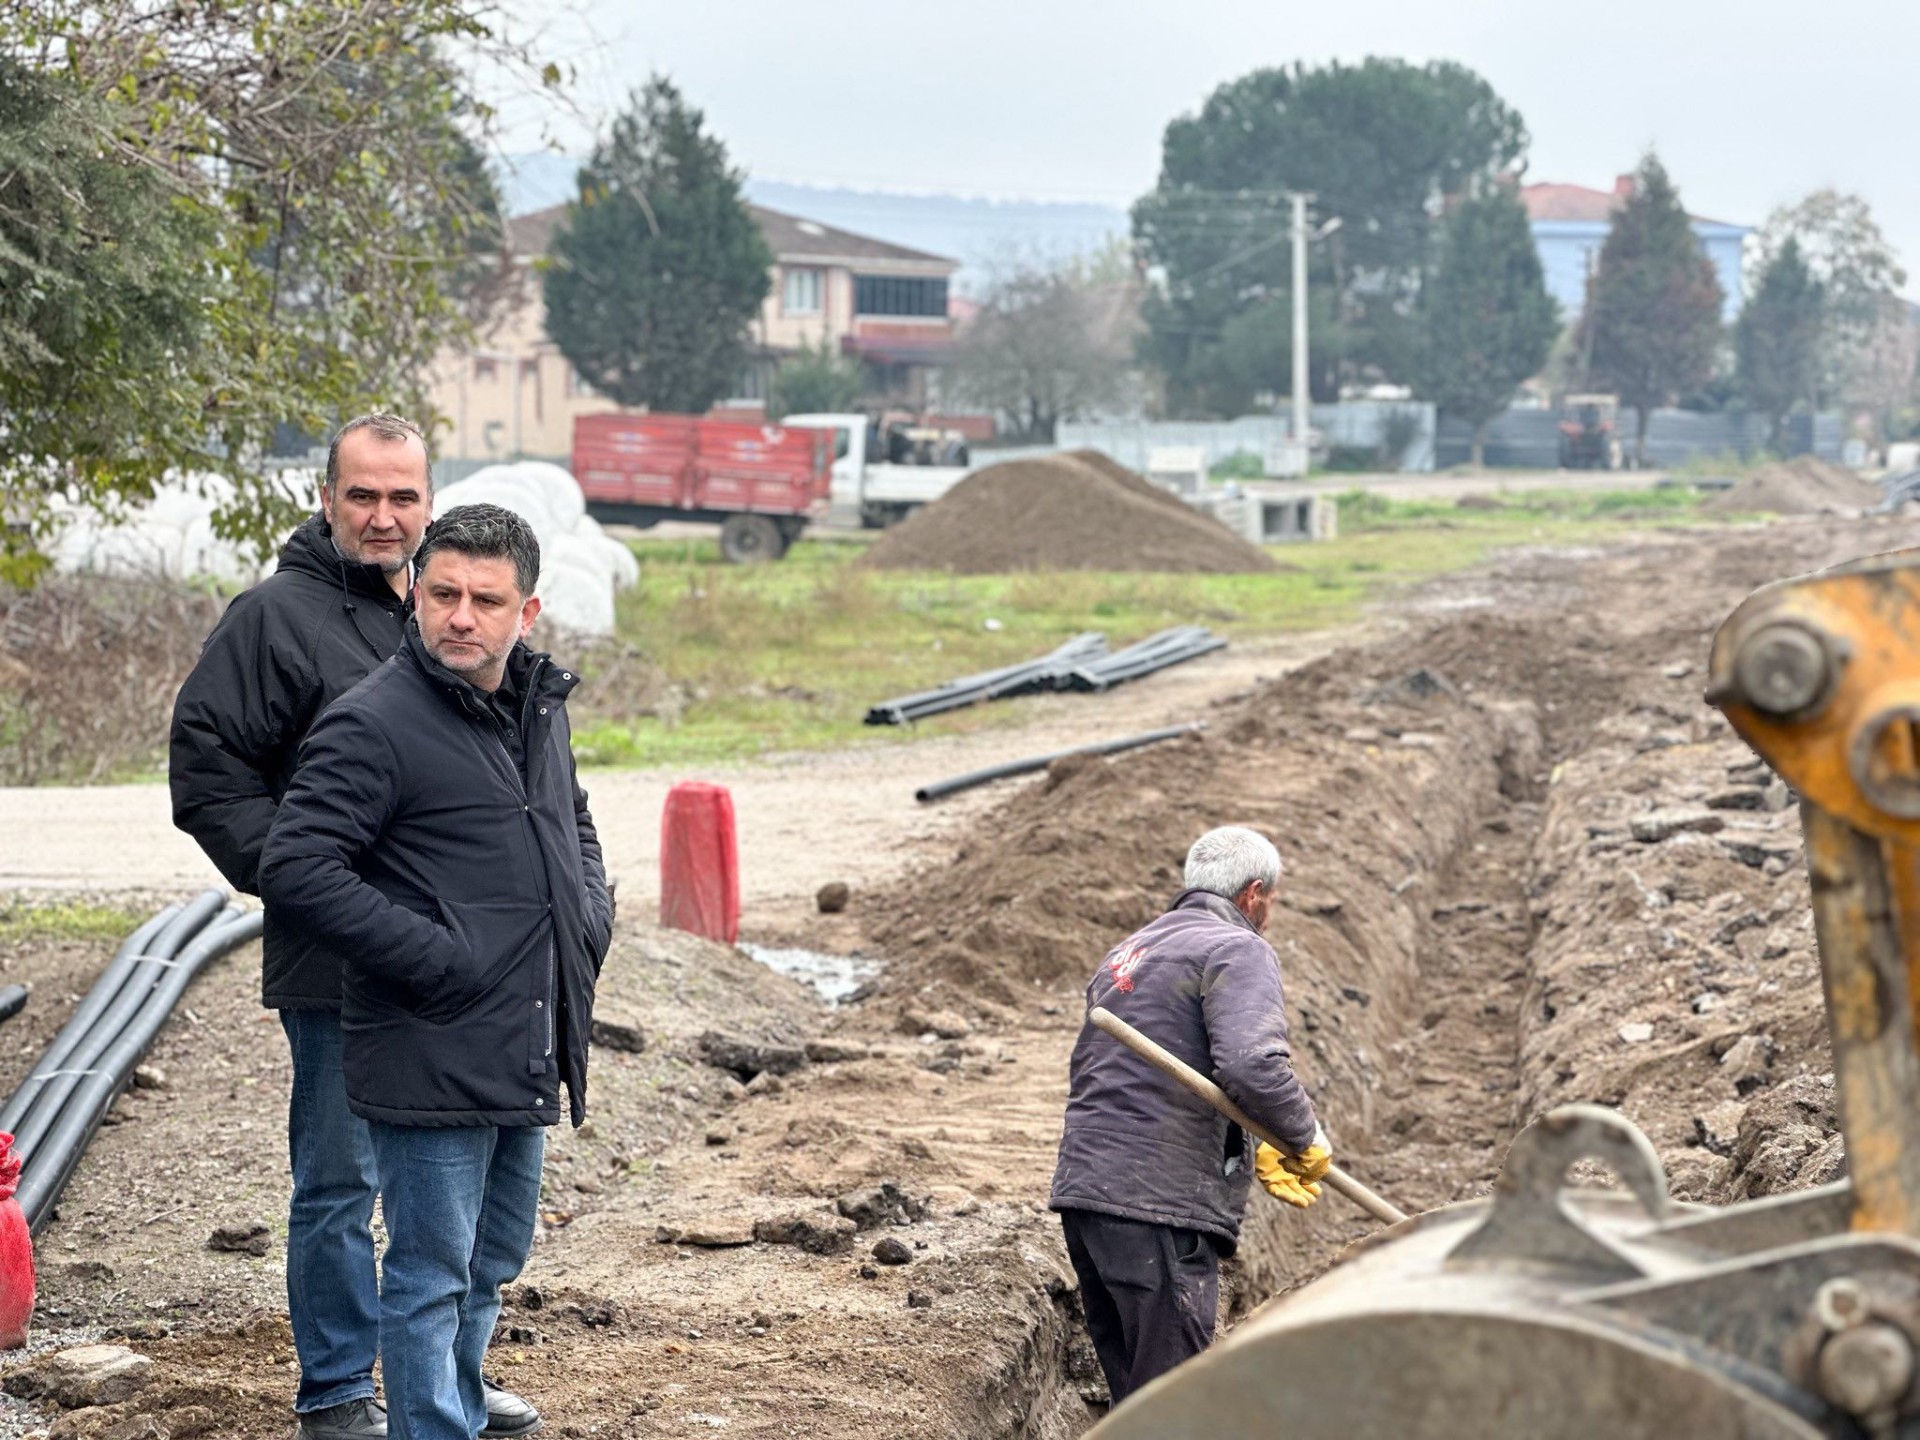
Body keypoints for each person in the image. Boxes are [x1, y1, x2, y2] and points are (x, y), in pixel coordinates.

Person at [168, 418, 541, 1440]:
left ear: (430, 501)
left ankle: (452, 1382)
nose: (385, 518)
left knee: (460, 1196)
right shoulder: (275, 620)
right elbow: (207, 773)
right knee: (341, 1181)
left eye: (404, 498)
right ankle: (338, 1390)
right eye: (364, 496)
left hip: (456, 979)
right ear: (327, 496)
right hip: (337, 964)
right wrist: (304, 881)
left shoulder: (443, 611)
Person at [260, 503, 613, 1440]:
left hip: (522, 1034)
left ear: (526, 613)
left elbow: (569, 820)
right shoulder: (373, 720)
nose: (462, 616)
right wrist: (433, 958)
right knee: (429, 1275)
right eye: (444, 592)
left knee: (492, 1259)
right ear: (416, 592)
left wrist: (586, 919)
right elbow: (296, 867)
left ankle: (452, 1406)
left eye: (485, 600)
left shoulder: (535, 704)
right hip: (429, 1041)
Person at [1048, 826, 1330, 1408]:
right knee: (1179, 1405)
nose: (1268, 914)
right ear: (1254, 894)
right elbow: (1252, 1065)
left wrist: (1263, 1135)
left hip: (1087, 1196)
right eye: (1272, 901)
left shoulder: (1131, 951)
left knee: (1140, 1403)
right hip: (1157, 1203)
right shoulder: (1236, 946)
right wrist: (1303, 1134)